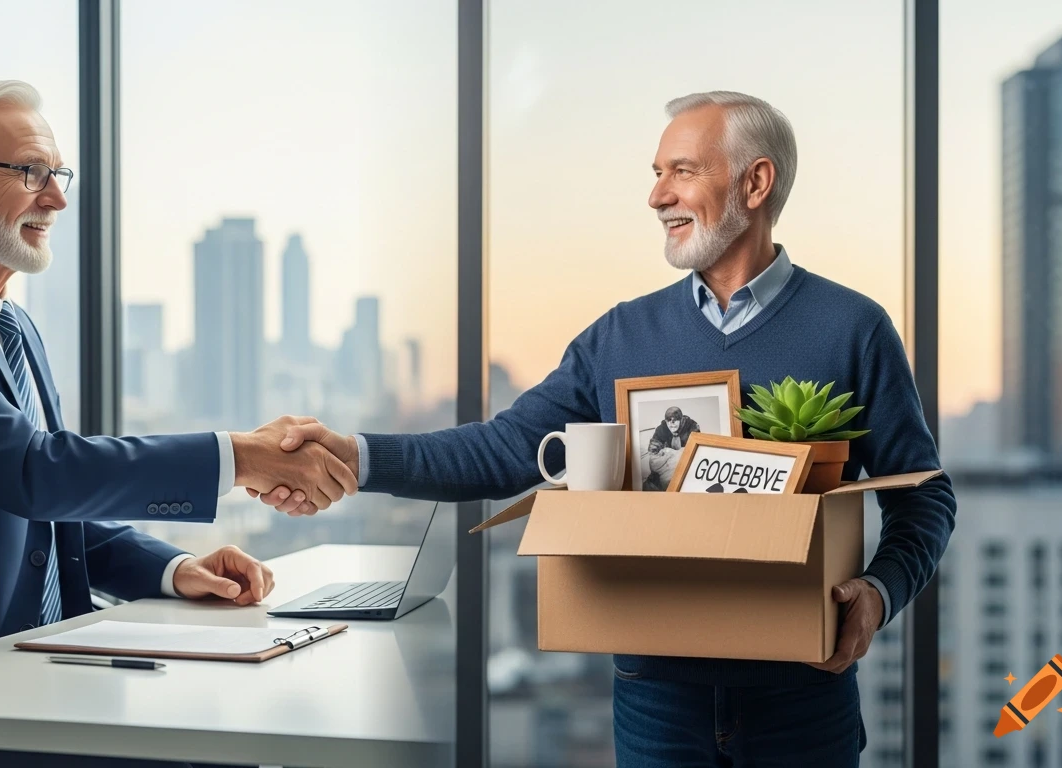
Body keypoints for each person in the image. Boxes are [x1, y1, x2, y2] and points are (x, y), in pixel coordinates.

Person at [254, 91, 956, 767]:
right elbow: (503, 449)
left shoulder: (852, 330)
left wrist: (878, 593)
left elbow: (924, 498)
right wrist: (355, 455)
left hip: (804, 700)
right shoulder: (618, 336)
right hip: (654, 703)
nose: (657, 196)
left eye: (683, 171)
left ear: (755, 182)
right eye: (657, 175)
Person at [0, 78, 355, 768]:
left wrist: (175, 569)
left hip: (23, 675)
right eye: (30, 172)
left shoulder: (10, 325)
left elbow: (54, 512)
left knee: (244, 725)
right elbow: (35, 471)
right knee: (225, 750)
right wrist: (241, 456)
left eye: (58, 174)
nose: (55, 197)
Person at [644, 406, 700, 490]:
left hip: (686, 466)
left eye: (675, 420)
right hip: (665, 467)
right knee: (648, 486)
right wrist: (669, 454)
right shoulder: (661, 429)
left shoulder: (692, 427)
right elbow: (653, 455)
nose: (671, 423)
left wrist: (676, 454)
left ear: (681, 419)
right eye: (668, 420)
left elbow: (697, 451)